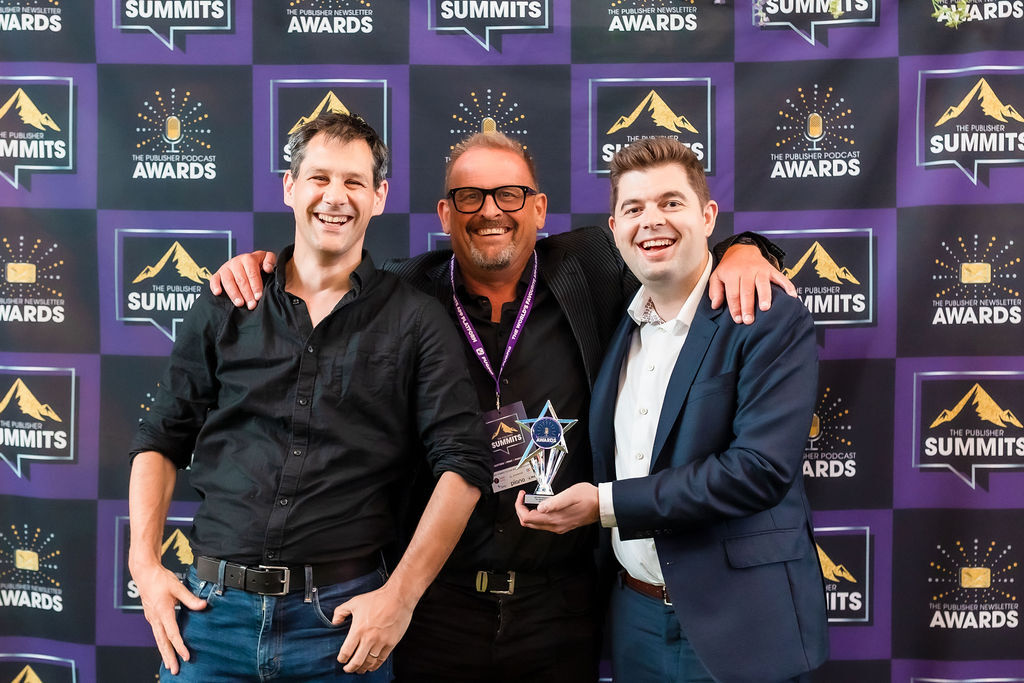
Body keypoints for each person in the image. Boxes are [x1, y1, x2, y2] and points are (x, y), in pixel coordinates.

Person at [210, 132, 794, 682]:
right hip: (434, 608)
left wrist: (745, 251)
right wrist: (262, 267)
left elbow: (675, 247)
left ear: (539, 208)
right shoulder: (402, 295)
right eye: (470, 196)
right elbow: (321, 277)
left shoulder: (592, 266)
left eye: (509, 194)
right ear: (445, 215)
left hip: (561, 607)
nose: (491, 210)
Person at [128, 112, 492, 682]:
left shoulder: (416, 320)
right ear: (290, 187)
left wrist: (400, 598)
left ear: (379, 197)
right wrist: (144, 564)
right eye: (319, 177)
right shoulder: (228, 302)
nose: (335, 197)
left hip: (342, 627)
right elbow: (160, 438)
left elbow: (464, 464)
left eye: (354, 182)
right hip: (209, 622)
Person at [516, 137, 828, 683]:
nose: (651, 220)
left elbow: (759, 471)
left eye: (671, 203)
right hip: (634, 617)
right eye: (634, 208)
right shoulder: (617, 322)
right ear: (614, 228)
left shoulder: (765, 317)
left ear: (708, 216)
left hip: (742, 622)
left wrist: (603, 504)